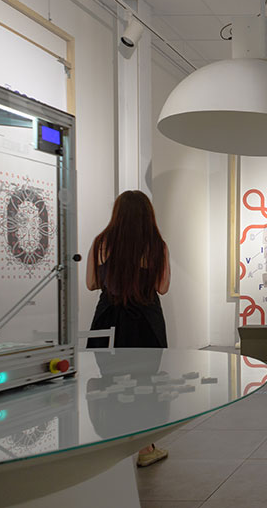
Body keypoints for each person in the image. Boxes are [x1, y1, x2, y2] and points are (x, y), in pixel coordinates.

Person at [86, 190, 171, 467]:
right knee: (144, 384)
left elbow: (91, 283)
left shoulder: (101, 243)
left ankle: (114, 442)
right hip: (145, 322)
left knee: (110, 381)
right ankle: (145, 447)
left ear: (117, 213)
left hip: (108, 320)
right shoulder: (156, 246)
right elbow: (162, 287)